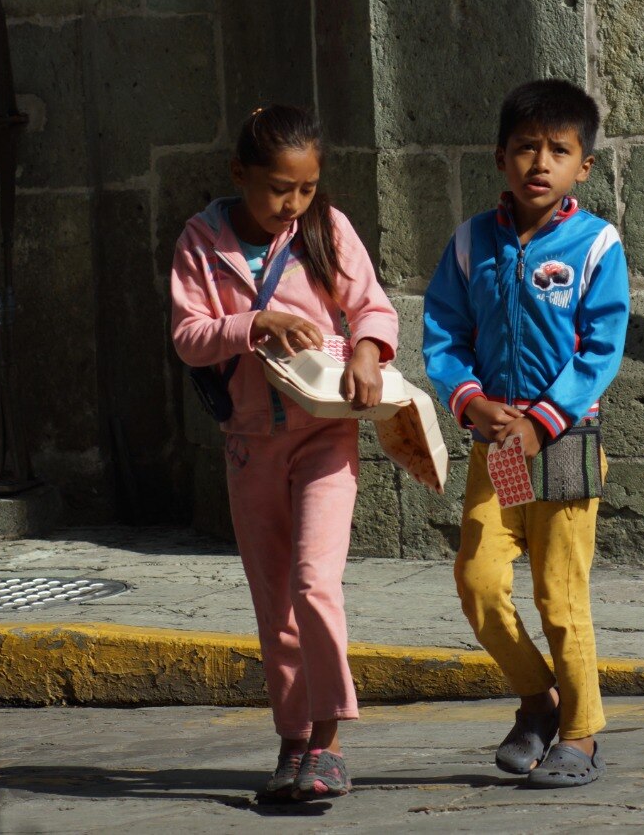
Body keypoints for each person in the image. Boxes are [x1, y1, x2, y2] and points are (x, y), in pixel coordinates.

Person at [170, 105, 398, 801]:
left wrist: (367, 353)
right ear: (239, 174)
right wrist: (254, 324)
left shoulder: (326, 229)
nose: (292, 203)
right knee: (275, 603)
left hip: (325, 433)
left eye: (305, 188)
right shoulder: (201, 242)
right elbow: (188, 337)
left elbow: (373, 308)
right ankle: (293, 739)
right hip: (250, 445)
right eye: (278, 189)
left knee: (313, 583)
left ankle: (328, 741)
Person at [422, 79, 629, 788]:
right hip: (498, 450)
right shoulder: (470, 242)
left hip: (563, 446)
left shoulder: (596, 244)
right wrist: (470, 401)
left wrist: (544, 420)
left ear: (583, 167)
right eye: (525, 148)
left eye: (559, 151)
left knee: (560, 596)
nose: (541, 162)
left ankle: (582, 734)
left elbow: (601, 349)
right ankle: (538, 699)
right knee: (479, 581)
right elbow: (445, 333)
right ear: (500, 157)